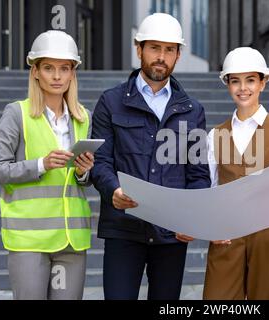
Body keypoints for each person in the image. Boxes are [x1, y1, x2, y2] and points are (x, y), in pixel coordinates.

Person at [90, 13, 210, 300]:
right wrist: (113, 191)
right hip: (124, 229)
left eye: (170, 50)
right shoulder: (111, 101)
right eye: (155, 48)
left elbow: (198, 174)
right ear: (139, 49)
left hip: (171, 234)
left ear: (178, 55)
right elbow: (101, 161)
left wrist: (189, 220)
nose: (161, 57)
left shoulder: (192, 110)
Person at [0, 30, 95, 300]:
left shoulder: (83, 117)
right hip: (30, 240)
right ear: (35, 71)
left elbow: (84, 179)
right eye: (48, 68)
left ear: (72, 73)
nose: (57, 76)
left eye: (64, 68)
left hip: (71, 239)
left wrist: (83, 172)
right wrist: (40, 165)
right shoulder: (16, 113)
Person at [203, 47, 269, 300]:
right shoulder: (215, 135)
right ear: (227, 84)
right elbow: (211, 189)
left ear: (263, 82)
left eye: (250, 80)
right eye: (235, 81)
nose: (243, 88)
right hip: (227, 233)